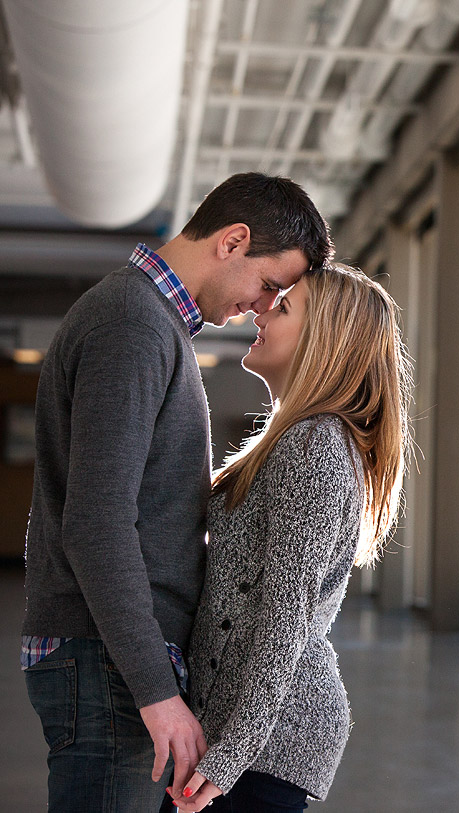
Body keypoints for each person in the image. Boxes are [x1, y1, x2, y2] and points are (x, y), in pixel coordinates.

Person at [22, 172, 332, 812]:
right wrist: (156, 691)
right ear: (233, 241)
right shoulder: (134, 324)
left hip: (111, 657)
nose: (261, 304)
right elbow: (97, 524)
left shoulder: (147, 324)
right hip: (109, 659)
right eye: (268, 284)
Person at [163, 263, 412, 812]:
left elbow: (284, 618)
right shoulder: (294, 438)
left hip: (263, 744)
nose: (261, 309)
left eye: (284, 307)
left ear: (325, 340)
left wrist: (231, 754)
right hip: (244, 732)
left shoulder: (315, 446)